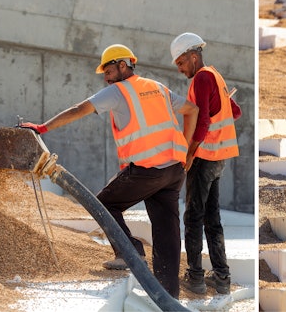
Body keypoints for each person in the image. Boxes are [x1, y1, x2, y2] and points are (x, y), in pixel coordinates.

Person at [20, 43, 197, 299]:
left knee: (103, 204)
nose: (105, 76)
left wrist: (42, 128)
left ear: (123, 65)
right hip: (174, 171)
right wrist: (187, 151)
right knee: (166, 229)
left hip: (147, 170)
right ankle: (168, 296)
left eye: (108, 70)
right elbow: (192, 109)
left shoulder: (118, 91)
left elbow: (79, 109)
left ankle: (130, 251)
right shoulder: (157, 87)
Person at [170, 32, 241, 296]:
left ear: (193, 56)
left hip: (204, 157)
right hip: (219, 158)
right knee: (212, 218)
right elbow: (235, 112)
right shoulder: (215, 76)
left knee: (193, 217)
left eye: (181, 62)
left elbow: (202, 122)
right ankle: (222, 277)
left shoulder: (201, 77)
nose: (179, 69)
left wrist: (188, 155)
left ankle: (196, 277)